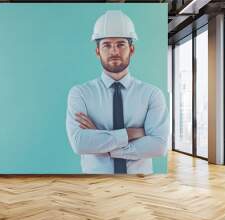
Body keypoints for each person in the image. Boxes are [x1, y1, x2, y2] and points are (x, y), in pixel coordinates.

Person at [66, 10, 169, 174]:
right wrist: (131, 133)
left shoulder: (152, 94)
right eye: (106, 45)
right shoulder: (80, 93)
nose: (114, 51)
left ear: (132, 49)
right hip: (95, 185)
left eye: (121, 44)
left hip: (140, 186)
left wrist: (104, 145)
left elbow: (158, 146)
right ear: (97, 51)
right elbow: (80, 144)